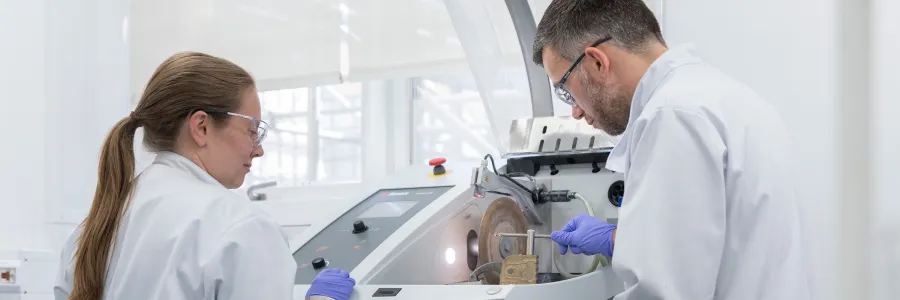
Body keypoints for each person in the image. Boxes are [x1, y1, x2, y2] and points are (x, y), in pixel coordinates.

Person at [533, 0, 810, 299]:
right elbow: (710, 242)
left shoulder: (671, 116)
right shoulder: (724, 98)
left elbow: (664, 292)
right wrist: (623, 240)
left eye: (564, 88)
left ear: (598, 62)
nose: (574, 112)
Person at [53, 52, 355, 300]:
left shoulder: (93, 229)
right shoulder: (241, 228)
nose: (258, 150)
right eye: (252, 131)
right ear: (201, 127)